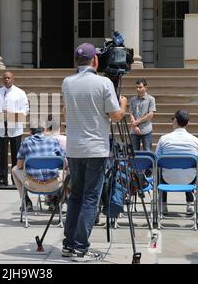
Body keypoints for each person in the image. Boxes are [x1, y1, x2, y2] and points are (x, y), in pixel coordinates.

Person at [61, 43, 127, 262]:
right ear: (96, 61)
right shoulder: (103, 82)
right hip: (96, 148)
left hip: (74, 148)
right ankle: (80, 247)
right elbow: (116, 115)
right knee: (91, 198)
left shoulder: (67, 82)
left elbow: (65, 112)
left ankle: (69, 244)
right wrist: (123, 104)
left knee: (75, 197)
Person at [155, 110, 198, 214]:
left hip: (167, 179)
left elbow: (156, 159)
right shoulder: (196, 140)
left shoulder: (164, 139)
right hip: (189, 179)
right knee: (191, 167)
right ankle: (190, 203)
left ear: (175, 121)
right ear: (188, 123)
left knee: (160, 167)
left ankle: (163, 204)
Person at [12, 124, 66, 211]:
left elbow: (19, 165)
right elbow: (64, 162)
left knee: (14, 169)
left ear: (30, 132)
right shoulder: (54, 141)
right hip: (54, 184)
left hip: (32, 184)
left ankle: (25, 201)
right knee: (65, 171)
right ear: (44, 130)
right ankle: (56, 200)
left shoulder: (26, 141)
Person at [0, 71, 29, 186]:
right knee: (2, 154)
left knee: (16, 155)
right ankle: (3, 179)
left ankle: (15, 178)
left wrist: (12, 114)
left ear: (13, 79)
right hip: (2, 128)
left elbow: (25, 110)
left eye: (9, 78)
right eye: (5, 78)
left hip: (15, 128)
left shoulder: (20, 93)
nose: (7, 80)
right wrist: (0, 113)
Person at [130, 79, 156, 151]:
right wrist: (134, 126)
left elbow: (150, 114)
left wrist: (137, 122)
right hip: (134, 131)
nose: (138, 89)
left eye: (140, 87)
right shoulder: (133, 99)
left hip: (146, 130)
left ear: (145, 88)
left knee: (148, 151)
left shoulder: (151, 99)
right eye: (137, 87)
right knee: (134, 153)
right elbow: (131, 113)